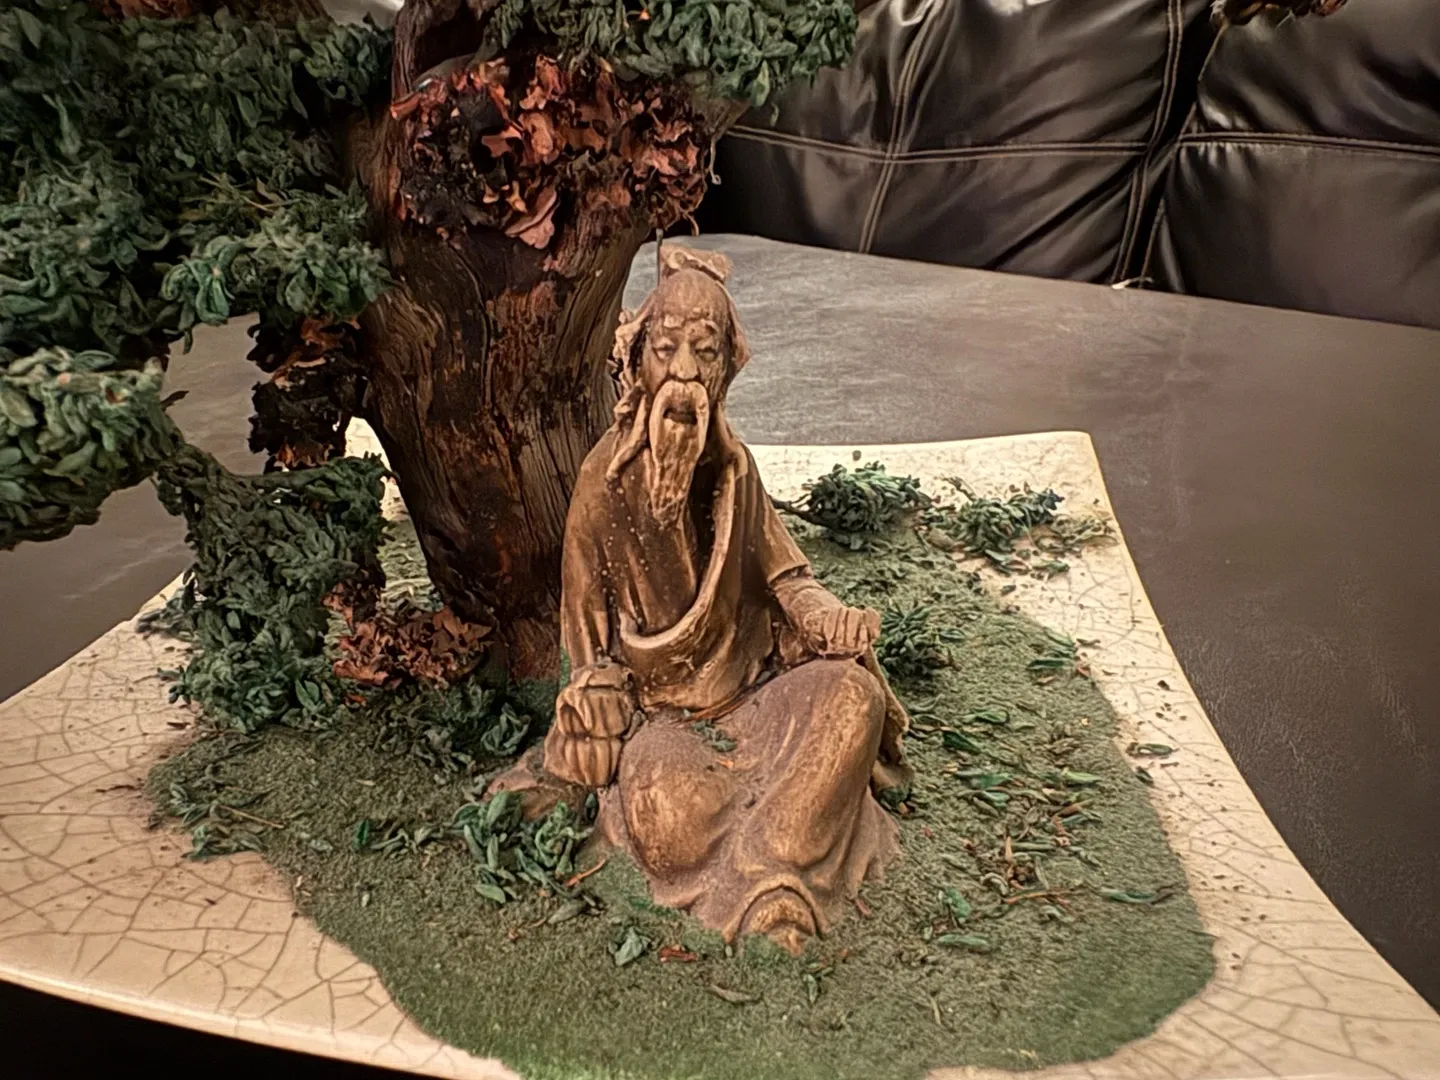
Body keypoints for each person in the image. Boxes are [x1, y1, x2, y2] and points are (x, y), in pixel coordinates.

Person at [490, 246, 912, 953]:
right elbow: (584, 640)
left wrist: (825, 619)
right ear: (639, 362)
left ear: (724, 370)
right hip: (669, 727)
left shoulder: (737, 473)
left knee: (852, 699)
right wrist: (595, 693)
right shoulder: (601, 484)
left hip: (761, 700)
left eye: (704, 352)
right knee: (663, 805)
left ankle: (771, 881)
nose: (684, 372)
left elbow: (789, 578)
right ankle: (774, 872)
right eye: (667, 349)